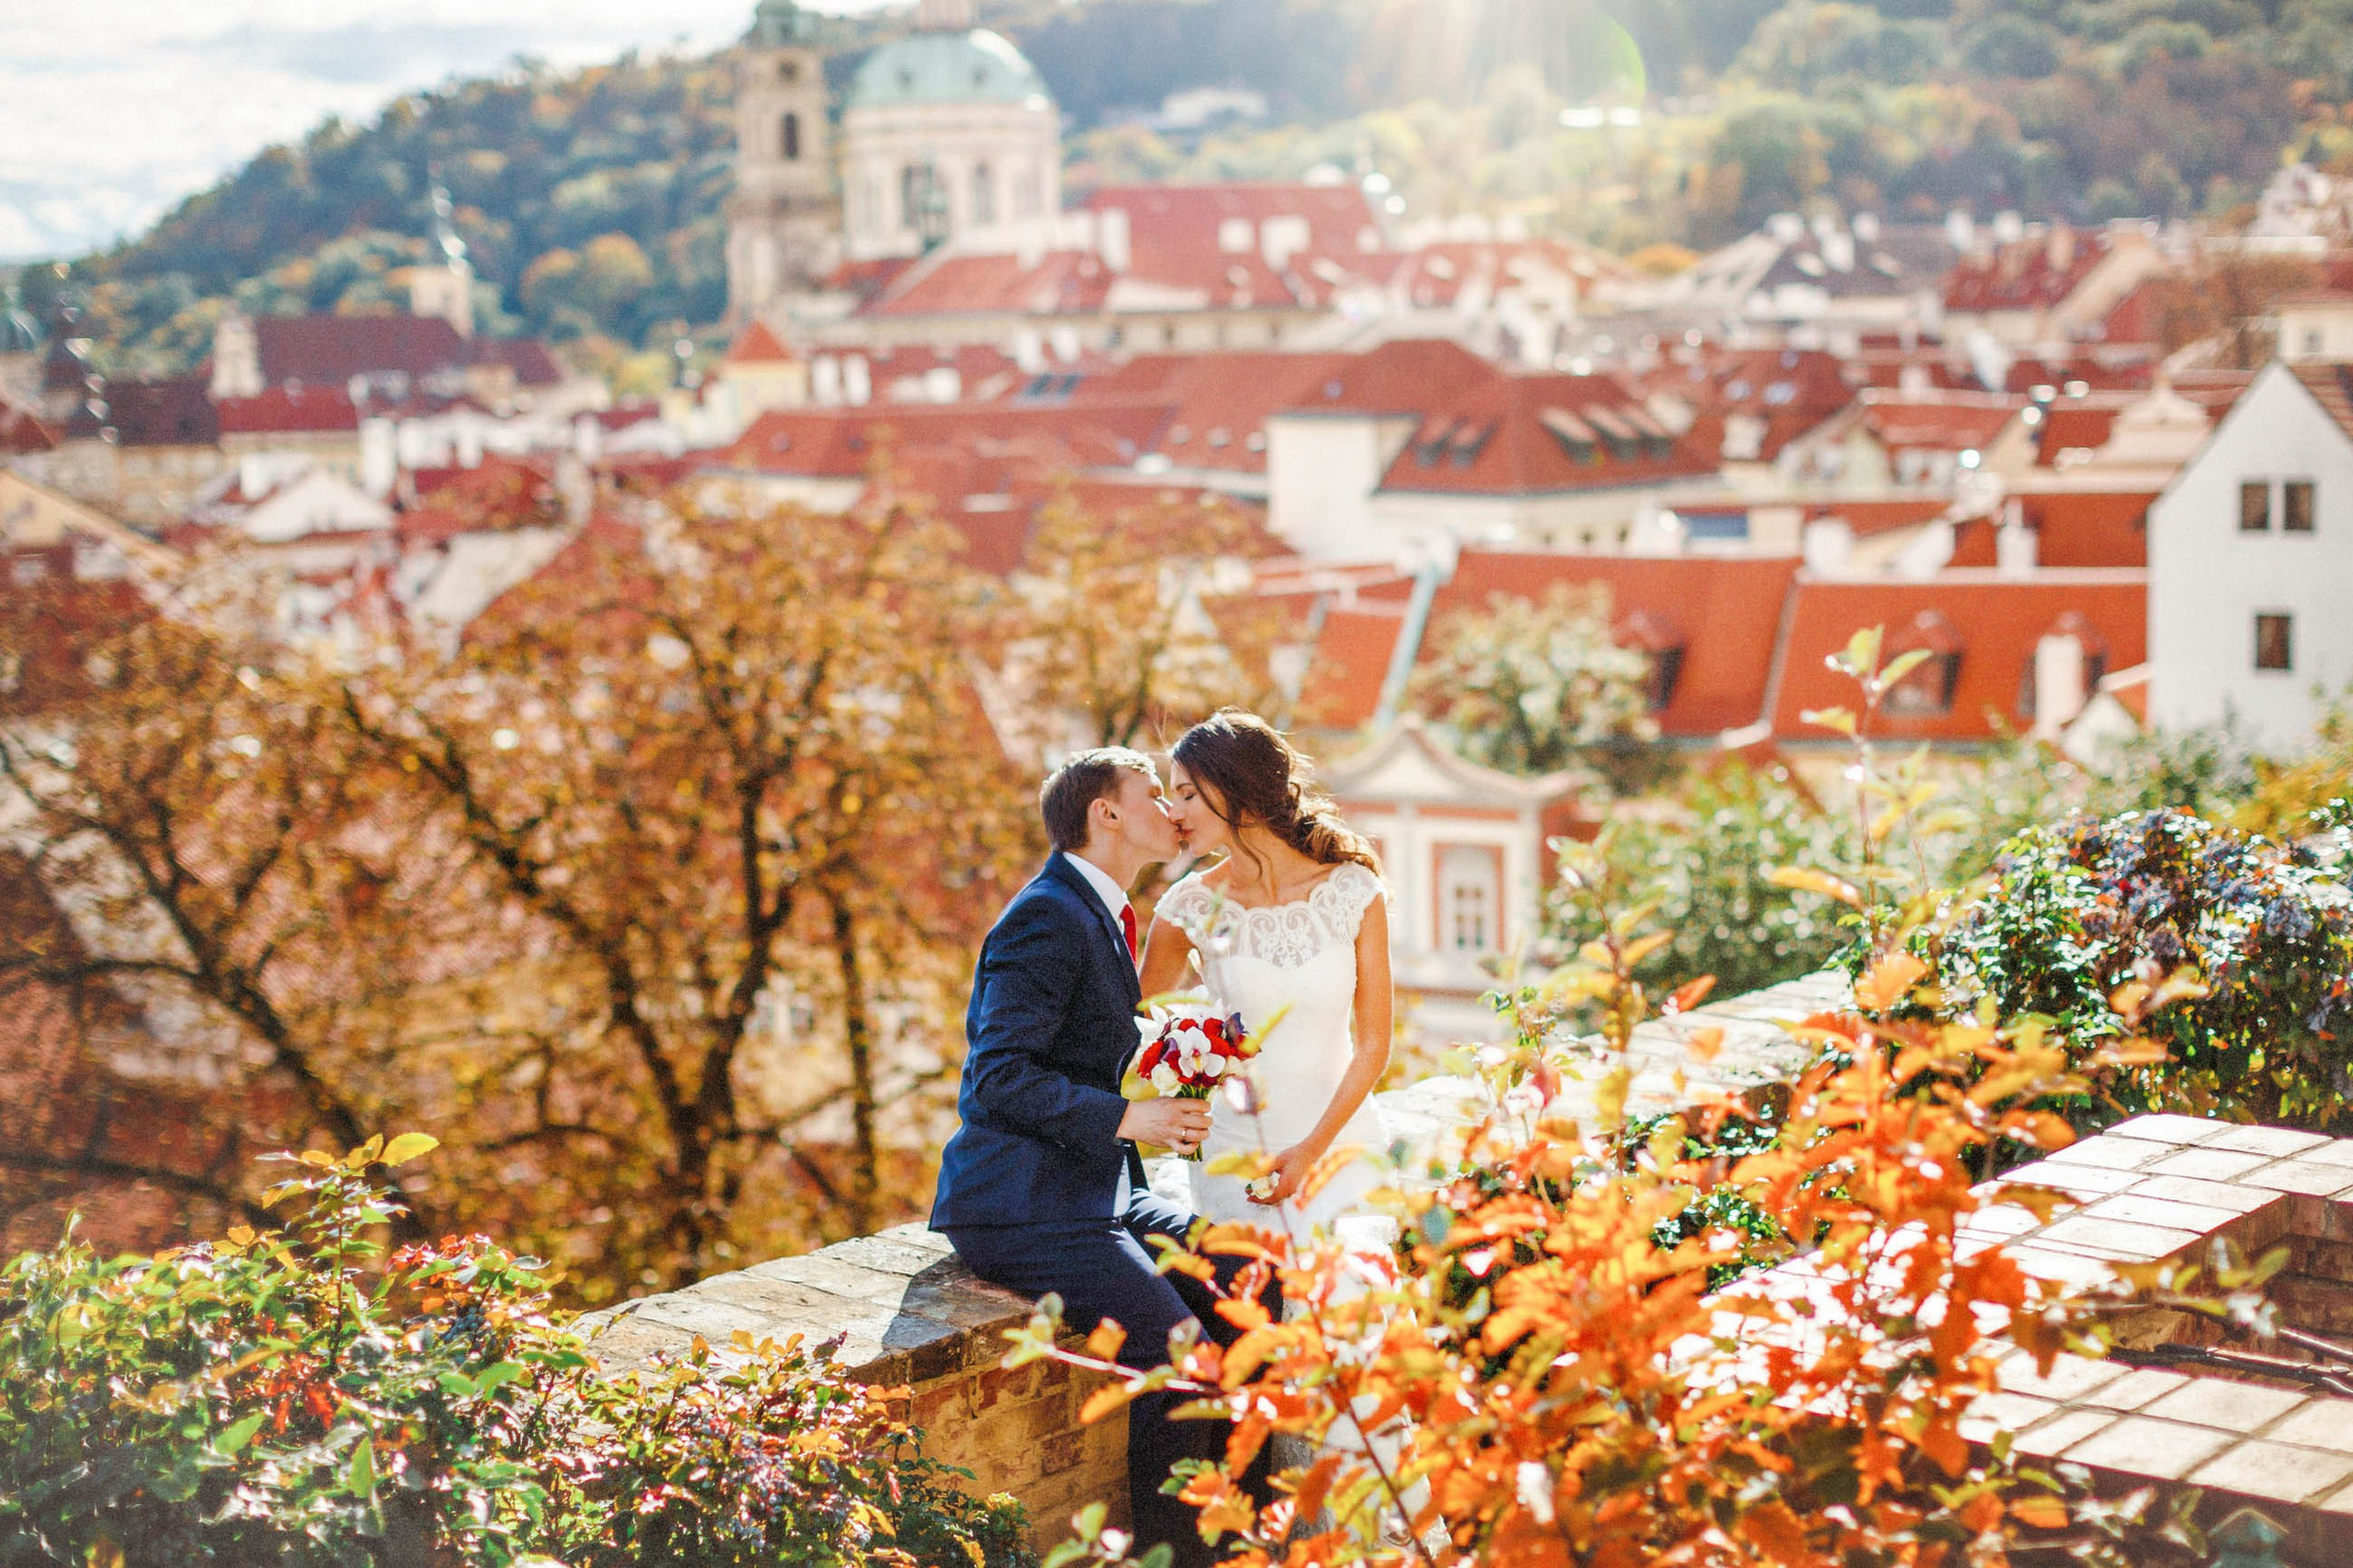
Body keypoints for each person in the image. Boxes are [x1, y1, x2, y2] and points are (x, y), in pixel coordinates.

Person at [929, 747, 1267, 1568]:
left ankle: (1247, 1536)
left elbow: (1074, 1046)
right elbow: (997, 1080)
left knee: (1248, 1274)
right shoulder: (1048, 915)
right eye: (1155, 794)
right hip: (1022, 1204)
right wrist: (1129, 1116)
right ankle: (1179, 1555)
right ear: (1106, 815)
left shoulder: (1099, 910)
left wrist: (1175, 1052)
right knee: (1179, 1347)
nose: (1173, 809)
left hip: (1094, 1191)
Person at [1142, 710, 1392, 1235]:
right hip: (1237, 1156)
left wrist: (1309, 1152)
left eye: (1187, 794)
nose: (1174, 812)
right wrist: (1176, 1089)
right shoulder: (1184, 908)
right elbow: (1133, 1030)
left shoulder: (1353, 890)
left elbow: (1373, 1047)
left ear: (1236, 789)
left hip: (1340, 1146)